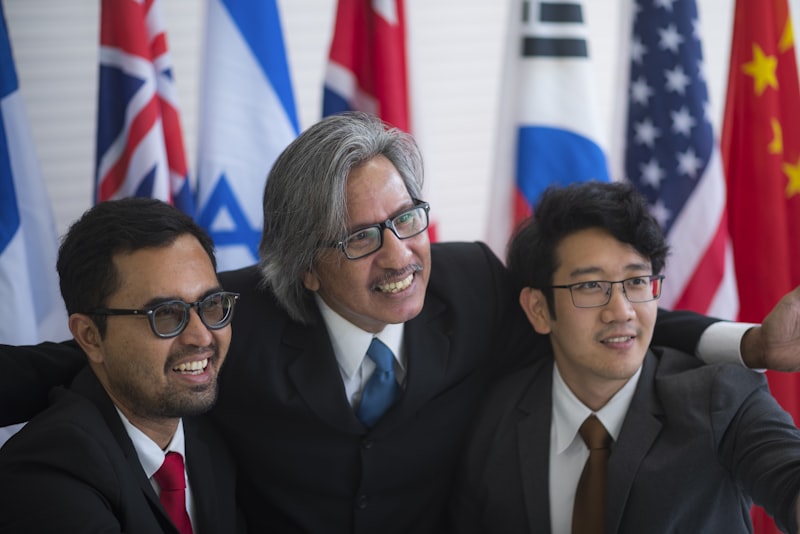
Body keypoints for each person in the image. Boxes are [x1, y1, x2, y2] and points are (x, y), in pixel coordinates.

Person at [3, 112, 800, 533]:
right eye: (359, 236)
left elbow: (605, 307)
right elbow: (93, 358)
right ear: (304, 267)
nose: (399, 256)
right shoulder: (228, 322)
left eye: (408, 218)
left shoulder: (477, 285)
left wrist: (751, 345)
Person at [449, 181, 800, 533]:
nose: (621, 311)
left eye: (636, 282)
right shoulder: (496, 417)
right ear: (539, 309)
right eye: (590, 286)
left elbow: (788, 474)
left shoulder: (723, 398)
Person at [0, 198, 246, 533]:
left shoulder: (220, 422)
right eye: (165, 314)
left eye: (211, 304)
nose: (201, 335)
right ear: (90, 337)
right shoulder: (44, 472)